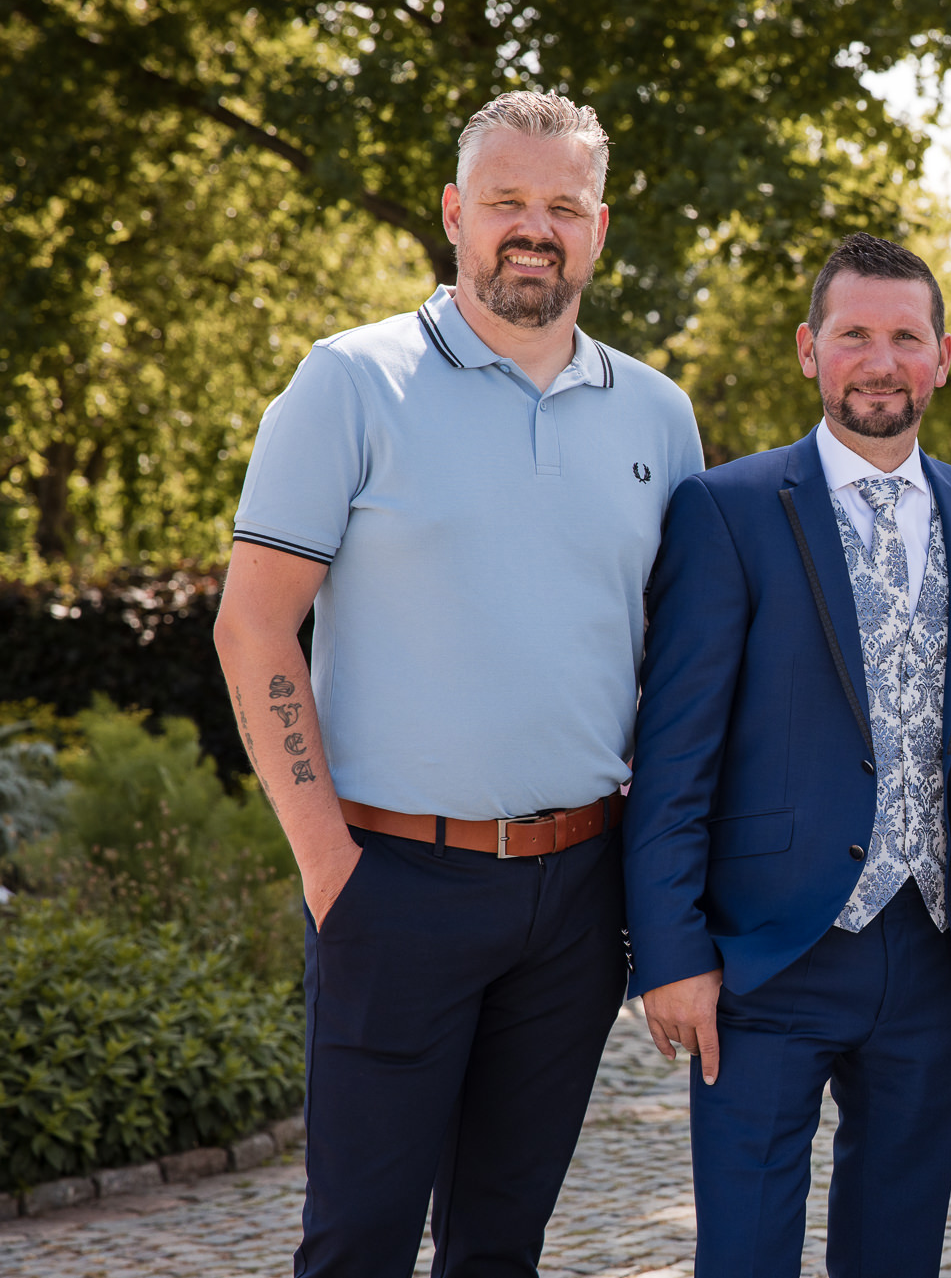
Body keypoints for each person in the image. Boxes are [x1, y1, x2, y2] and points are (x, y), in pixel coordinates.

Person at [213, 92, 703, 1276]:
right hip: (394, 885)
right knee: (359, 1243)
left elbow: (679, 665)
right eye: (507, 203)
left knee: (501, 1242)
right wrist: (334, 872)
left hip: (580, 899)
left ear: (597, 227)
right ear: (454, 213)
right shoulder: (349, 382)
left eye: (562, 207)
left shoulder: (658, 413)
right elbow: (252, 628)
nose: (533, 228)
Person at [625, 232, 951, 1276]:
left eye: (906, 336)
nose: (881, 360)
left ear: (944, 357)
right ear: (811, 350)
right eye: (856, 335)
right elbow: (674, 755)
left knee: (897, 1253)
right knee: (747, 1253)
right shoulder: (729, 509)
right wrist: (671, 954)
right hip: (764, 955)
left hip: (935, 955)